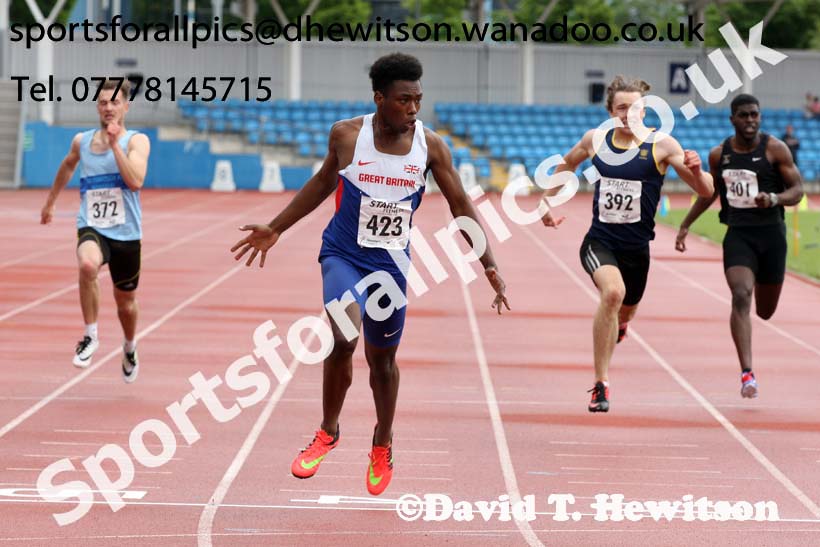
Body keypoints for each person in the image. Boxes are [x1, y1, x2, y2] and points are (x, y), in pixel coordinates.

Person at [231, 53, 509, 495]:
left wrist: (488, 263)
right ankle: (328, 431)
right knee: (344, 335)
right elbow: (323, 183)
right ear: (379, 98)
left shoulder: (431, 147)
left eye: (418, 100)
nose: (413, 109)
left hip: (391, 268)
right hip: (342, 254)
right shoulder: (347, 135)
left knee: (382, 361)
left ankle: (382, 440)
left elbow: (461, 205)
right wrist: (277, 227)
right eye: (404, 100)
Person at [539, 75, 714, 413]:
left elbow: (706, 190)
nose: (628, 115)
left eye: (635, 109)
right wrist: (546, 199)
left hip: (637, 250)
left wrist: (696, 170)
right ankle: (600, 384)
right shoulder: (595, 140)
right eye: (621, 108)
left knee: (626, 308)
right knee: (612, 294)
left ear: (645, 111)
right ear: (610, 111)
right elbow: (569, 163)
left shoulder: (662, 145)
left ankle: (620, 324)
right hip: (599, 242)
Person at [675, 94, 804, 399]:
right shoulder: (719, 155)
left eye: (754, 115)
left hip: (772, 237)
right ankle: (747, 373)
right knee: (740, 294)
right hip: (739, 235)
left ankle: (761, 278)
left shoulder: (775, 149)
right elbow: (709, 193)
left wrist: (774, 198)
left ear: (760, 117)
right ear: (732, 119)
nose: (750, 120)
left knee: (765, 311)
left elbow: (797, 190)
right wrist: (685, 224)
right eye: (744, 115)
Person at [40, 79, 150, 383]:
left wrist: (115, 145)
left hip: (126, 234)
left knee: (126, 304)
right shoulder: (82, 141)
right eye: (103, 103)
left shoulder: (137, 142)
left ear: (126, 107)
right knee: (87, 265)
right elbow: (67, 165)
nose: (108, 108)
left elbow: (135, 181)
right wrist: (50, 202)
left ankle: (129, 346)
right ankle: (91, 335)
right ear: (97, 108)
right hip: (92, 226)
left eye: (114, 102)